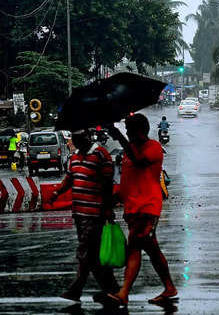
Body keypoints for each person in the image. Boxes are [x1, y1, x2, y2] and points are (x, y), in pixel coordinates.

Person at [105, 114, 177, 307]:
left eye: (129, 130)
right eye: (125, 130)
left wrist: (118, 135)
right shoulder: (128, 152)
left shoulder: (153, 148)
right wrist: (112, 201)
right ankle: (169, 286)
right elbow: (127, 180)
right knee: (151, 249)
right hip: (132, 209)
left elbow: (139, 162)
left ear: (139, 131)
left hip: (148, 208)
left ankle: (124, 292)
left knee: (135, 246)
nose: (127, 133)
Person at [44, 129, 119, 303]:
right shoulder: (75, 157)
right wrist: (56, 193)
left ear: (86, 137)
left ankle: (77, 289)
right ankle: (112, 290)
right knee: (93, 255)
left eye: (78, 138)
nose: (76, 142)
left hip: (95, 213)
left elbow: (108, 183)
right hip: (79, 213)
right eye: (74, 139)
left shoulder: (101, 154)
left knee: (86, 252)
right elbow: (70, 178)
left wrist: (107, 208)